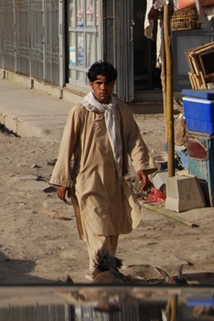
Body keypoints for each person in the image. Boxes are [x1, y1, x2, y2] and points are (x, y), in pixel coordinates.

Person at [49, 61, 157, 278]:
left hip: (114, 179)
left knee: (112, 228)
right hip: (87, 180)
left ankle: (104, 271)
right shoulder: (80, 112)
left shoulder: (121, 111)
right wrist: (63, 180)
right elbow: (66, 147)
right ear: (91, 84)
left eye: (107, 84)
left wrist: (141, 168)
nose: (103, 88)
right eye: (98, 83)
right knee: (99, 228)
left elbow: (134, 139)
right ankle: (97, 271)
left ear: (113, 85)